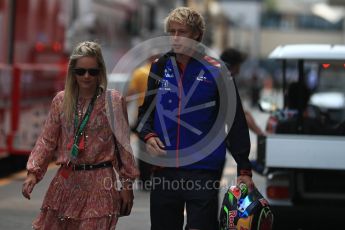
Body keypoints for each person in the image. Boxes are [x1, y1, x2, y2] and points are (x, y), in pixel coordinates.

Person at [137, 7, 254, 230]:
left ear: (197, 35)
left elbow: (235, 120)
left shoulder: (218, 70)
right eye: (171, 31)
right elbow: (146, 114)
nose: (175, 37)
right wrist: (149, 136)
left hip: (203, 170)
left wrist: (244, 169)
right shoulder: (159, 67)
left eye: (182, 32)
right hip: (165, 170)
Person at [22, 41, 139, 230]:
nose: (86, 76)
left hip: (100, 183)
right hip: (67, 182)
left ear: (100, 71)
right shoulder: (61, 101)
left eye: (92, 71)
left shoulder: (113, 102)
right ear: (72, 72)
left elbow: (123, 146)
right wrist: (33, 173)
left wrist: (126, 185)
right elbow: (47, 140)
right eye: (81, 71)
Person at [220, 47, 265, 136]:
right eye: (239, 66)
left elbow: (244, 112)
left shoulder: (219, 78)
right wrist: (260, 133)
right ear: (233, 66)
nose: (239, 71)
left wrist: (259, 131)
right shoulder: (224, 82)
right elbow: (243, 115)